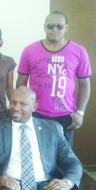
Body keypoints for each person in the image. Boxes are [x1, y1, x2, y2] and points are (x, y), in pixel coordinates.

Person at [0, 86, 83, 190]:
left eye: (23, 104)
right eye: (13, 102)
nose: (16, 108)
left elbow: (72, 162)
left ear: (34, 107)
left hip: (45, 186)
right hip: (10, 186)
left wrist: (67, 182)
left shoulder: (52, 129)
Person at [16, 11, 92, 146]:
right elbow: (21, 82)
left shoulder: (79, 52)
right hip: (36, 113)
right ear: (44, 27)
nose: (54, 29)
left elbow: (84, 84)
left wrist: (80, 112)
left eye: (59, 26)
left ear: (66, 28)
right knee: (38, 154)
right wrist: (22, 108)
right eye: (50, 26)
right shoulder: (29, 50)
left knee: (63, 157)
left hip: (66, 115)